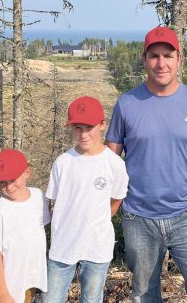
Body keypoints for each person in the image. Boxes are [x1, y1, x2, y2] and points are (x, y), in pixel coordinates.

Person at [105, 26, 187, 302]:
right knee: (145, 297)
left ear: (179, 59)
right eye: (154, 56)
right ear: (144, 59)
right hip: (138, 217)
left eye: (168, 56)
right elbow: (109, 162)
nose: (161, 63)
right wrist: (99, 210)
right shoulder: (127, 104)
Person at [43, 96, 129, 303]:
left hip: (97, 246)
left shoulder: (114, 164)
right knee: (51, 298)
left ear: (102, 125)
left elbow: (116, 201)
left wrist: (95, 220)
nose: (83, 134)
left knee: (91, 298)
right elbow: (53, 202)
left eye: (89, 127)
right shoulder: (63, 162)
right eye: (77, 128)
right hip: (63, 246)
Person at [0, 149, 51, 303]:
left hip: (34, 278)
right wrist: (3, 293)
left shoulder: (38, 197)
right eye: (2, 183)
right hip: (12, 285)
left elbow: (41, 229)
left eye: (12, 179)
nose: (9, 187)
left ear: (27, 172)